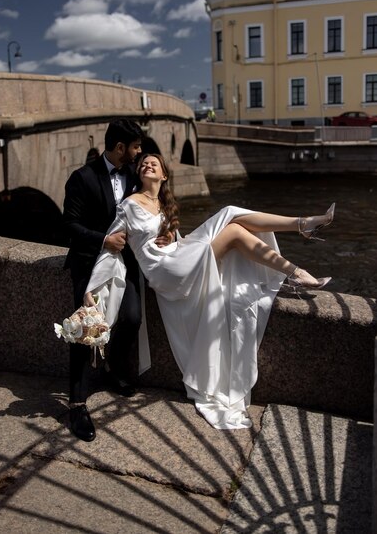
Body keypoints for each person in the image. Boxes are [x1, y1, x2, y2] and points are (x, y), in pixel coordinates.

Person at [83, 153, 335, 431]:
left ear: (164, 176)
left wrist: (172, 235)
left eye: (154, 162)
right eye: (143, 162)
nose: (147, 164)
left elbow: (168, 241)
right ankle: (299, 246)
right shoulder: (128, 205)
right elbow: (111, 247)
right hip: (166, 272)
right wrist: (91, 288)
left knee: (233, 220)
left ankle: (300, 240)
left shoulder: (163, 206)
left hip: (180, 255)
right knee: (233, 230)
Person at [63, 119, 167, 442]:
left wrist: (163, 237)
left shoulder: (133, 176)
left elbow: (149, 213)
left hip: (126, 264)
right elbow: (69, 227)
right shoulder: (82, 178)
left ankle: (111, 369)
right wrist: (102, 241)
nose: (140, 152)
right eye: (136, 147)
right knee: (85, 327)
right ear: (120, 148)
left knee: (133, 318)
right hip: (90, 261)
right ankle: (77, 404)